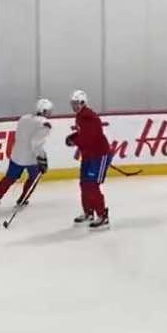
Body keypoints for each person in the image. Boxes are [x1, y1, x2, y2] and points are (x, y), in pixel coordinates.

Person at [0, 98, 52, 209]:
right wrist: (42, 158)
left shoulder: (24, 118)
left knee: (9, 178)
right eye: (49, 111)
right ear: (45, 111)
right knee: (34, 177)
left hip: (16, 155)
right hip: (31, 159)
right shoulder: (45, 124)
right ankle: (23, 199)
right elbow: (36, 143)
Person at [66, 89, 112, 229]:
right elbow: (84, 135)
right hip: (88, 155)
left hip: (99, 155)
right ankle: (88, 212)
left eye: (75, 103)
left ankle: (102, 216)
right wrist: (77, 146)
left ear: (82, 103)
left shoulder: (88, 116)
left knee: (92, 185)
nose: (73, 106)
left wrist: (74, 141)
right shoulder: (80, 116)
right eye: (72, 103)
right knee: (84, 183)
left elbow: (90, 138)